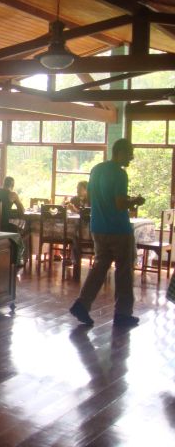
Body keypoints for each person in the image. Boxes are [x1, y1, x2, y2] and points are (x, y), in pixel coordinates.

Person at [70, 138, 145, 327]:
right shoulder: (120, 174)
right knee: (124, 271)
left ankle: (82, 304)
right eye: (129, 153)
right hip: (118, 229)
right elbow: (120, 204)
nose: (131, 157)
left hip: (98, 228)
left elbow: (90, 199)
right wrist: (135, 201)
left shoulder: (96, 169)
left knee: (99, 268)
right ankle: (123, 313)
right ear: (120, 152)